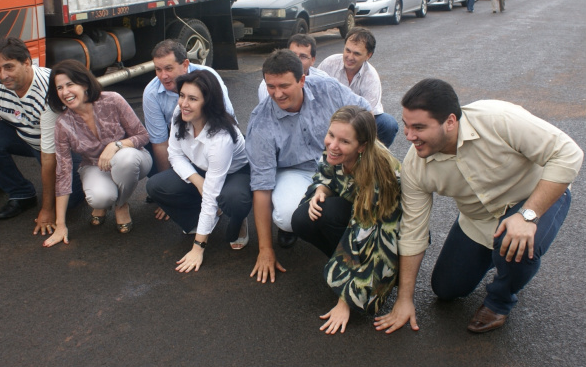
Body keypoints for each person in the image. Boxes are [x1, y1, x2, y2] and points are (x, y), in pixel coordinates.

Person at [374, 79, 583, 334]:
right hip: (478, 221)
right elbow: (412, 231)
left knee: (517, 245)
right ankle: (502, 257)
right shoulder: (416, 166)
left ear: (450, 122)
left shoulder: (497, 118)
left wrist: (528, 215)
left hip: (537, 199)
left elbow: (568, 153)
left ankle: (500, 300)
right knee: (446, 289)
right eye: (406, 126)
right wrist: (404, 299)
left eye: (419, 127)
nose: (408, 136)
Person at [246, 49, 373, 283]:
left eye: (284, 85)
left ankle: (355, 235)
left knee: (371, 200)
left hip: (341, 158)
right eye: (270, 86)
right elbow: (261, 187)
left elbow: (366, 114)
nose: (277, 93)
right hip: (296, 169)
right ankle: (335, 247)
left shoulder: (327, 88)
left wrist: (360, 156)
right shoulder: (261, 122)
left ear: (302, 80)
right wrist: (265, 249)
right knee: (286, 216)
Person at [291, 106, 402, 334]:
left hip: (389, 237)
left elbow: (369, 238)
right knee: (304, 217)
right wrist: (322, 189)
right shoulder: (336, 150)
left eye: (344, 141)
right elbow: (325, 174)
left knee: (339, 223)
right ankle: (342, 266)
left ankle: (369, 280)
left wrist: (345, 301)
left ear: (362, 146)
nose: (332, 145)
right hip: (358, 216)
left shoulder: (379, 176)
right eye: (331, 135)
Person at [0, 37, 82, 235]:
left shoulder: (49, 92)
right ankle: (21, 194)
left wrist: (47, 210)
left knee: (71, 202)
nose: (3, 75)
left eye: (9, 67)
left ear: (27, 63)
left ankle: (82, 179)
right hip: (24, 135)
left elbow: (49, 157)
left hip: (61, 146)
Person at [146, 70, 252, 271]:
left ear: (208, 103)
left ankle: (239, 218)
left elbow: (211, 194)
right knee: (156, 186)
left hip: (235, 172)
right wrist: (197, 180)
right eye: (182, 96)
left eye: (192, 98)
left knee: (234, 200)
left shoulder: (221, 138)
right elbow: (174, 154)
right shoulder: (181, 113)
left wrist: (198, 247)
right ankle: (204, 221)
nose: (184, 103)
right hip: (202, 169)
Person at [43, 60, 153, 246]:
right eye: (59, 87)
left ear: (84, 84)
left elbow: (143, 135)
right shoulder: (62, 124)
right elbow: (63, 172)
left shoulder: (112, 100)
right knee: (99, 198)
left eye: (70, 84)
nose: (65, 92)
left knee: (126, 159)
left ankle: (121, 204)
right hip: (94, 166)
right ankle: (107, 202)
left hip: (133, 159)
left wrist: (115, 146)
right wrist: (60, 224)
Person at [142, 39, 235, 174]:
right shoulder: (151, 93)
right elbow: (160, 143)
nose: (163, 76)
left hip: (213, 136)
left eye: (169, 68)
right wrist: (166, 180)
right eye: (158, 69)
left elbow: (227, 120)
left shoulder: (209, 77)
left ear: (185, 64)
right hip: (178, 140)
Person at [318, 27, 398, 147]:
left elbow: (368, 117)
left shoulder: (371, 77)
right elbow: (313, 94)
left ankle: (368, 158)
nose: (350, 57)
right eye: (347, 50)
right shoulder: (329, 64)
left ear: (368, 55)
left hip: (357, 122)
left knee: (388, 123)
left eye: (356, 53)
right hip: (327, 117)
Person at [257, 34, 330, 101]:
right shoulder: (269, 84)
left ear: (312, 60)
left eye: (303, 56)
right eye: (293, 55)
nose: (297, 60)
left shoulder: (323, 79)